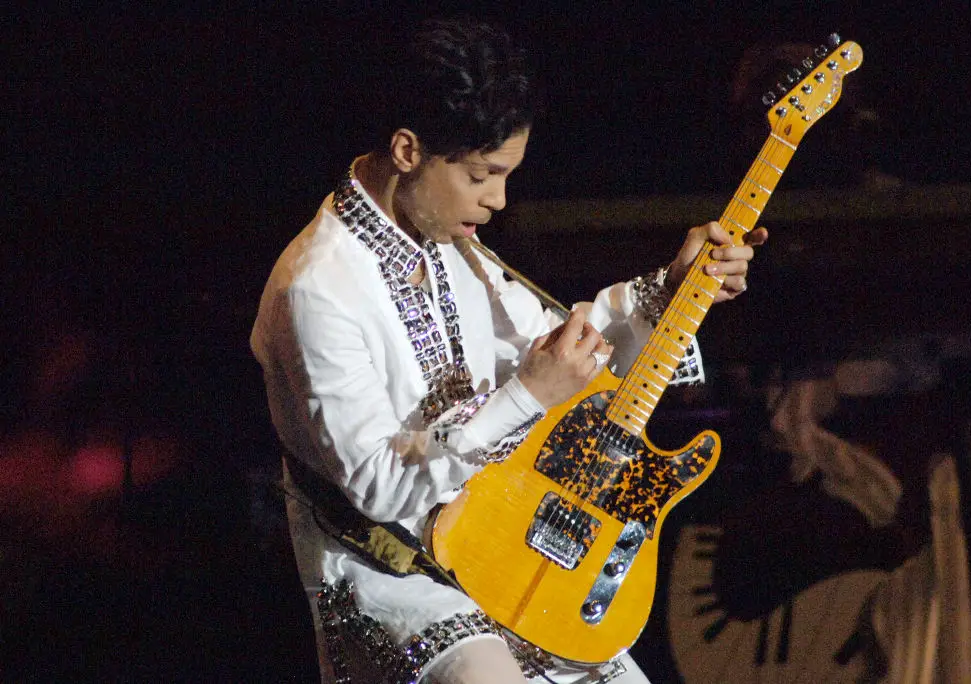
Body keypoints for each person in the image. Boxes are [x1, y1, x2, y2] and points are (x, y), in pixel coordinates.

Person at [250, 17, 767, 684]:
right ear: (407, 150)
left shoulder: (443, 239)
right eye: (482, 176)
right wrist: (525, 396)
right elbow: (380, 485)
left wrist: (670, 290)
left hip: (507, 539)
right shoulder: (317, 290)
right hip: (394, 574)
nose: (498, 200)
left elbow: (568, 353)